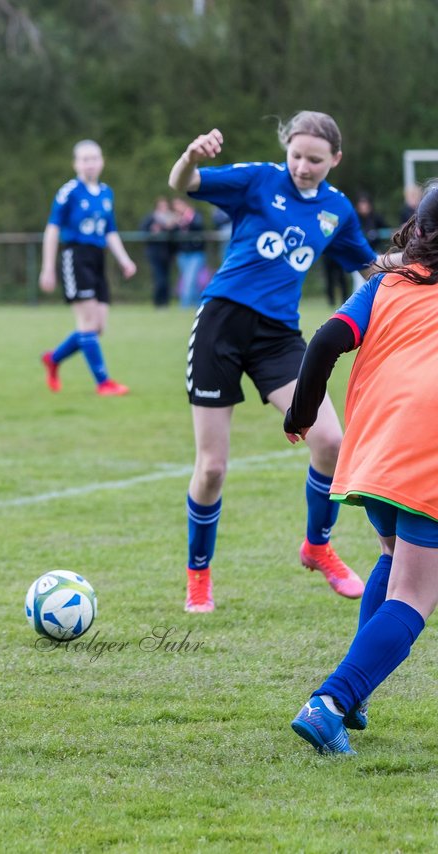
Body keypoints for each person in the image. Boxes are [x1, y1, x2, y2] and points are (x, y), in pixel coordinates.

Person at [168, 112, 381, 614]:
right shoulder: (259, 179)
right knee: (213, 468)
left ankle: (317, 546)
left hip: (278, 338)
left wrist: (418, 273)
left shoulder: (338, 209)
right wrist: (189, 157)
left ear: (335, 160)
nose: (303, 167)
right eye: (296, 155)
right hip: (222, 325)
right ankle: (198, 575)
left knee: (331, 441)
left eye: (314, 159)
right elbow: (185, 183)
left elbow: (369, 266)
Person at [284, 186, 438, 754]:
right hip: (428, 446)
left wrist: (301, 413)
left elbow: (326, 338)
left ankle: (356, 695)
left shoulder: (385, 285)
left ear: (416, 231)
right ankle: (330, 701)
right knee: (417, 594)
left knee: (394, 557)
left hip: (375, 441)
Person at [39, 140, 138, 395]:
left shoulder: (106, 193)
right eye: (84, 159)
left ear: (102, 161)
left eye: (94, 158)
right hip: (75, 256)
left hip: (98, 259)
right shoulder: (69, 192)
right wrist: (47, 267)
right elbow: (52, 229)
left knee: (97, 327)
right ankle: (103, 383)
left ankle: (53, 359)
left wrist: (124, 259)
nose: (90, 163)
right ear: (76, 164)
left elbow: (110, 231)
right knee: (87, 322)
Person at [171, 197, 207, 309]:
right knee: (191, 282)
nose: (176, 208)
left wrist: (186, 221)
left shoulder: (195, 216)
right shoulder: (176, 218)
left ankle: (184, 306)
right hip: (182, 253)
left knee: (189, 280)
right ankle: (198, 305)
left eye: (178, 205)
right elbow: (172, 234)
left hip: (196, 253)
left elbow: (199, 226)